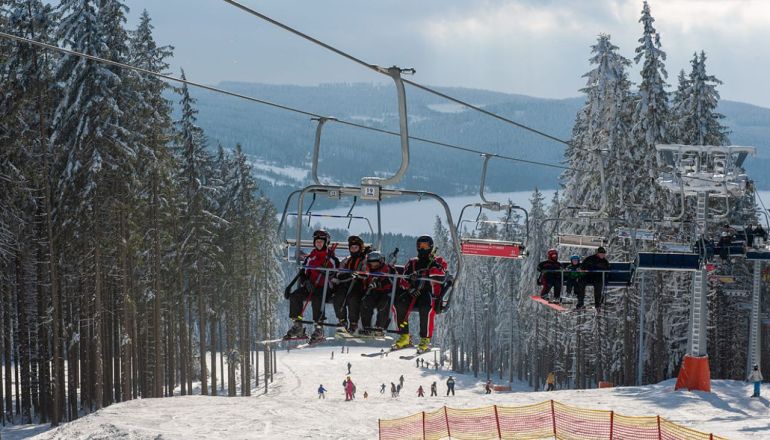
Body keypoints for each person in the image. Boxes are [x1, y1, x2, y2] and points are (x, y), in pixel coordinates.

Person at [393, 236, 448, 352]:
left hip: (428, 292)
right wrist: (409, 287)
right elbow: (404, 278)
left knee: (426, 308)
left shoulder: (438, 261)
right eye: (420, 246)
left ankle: (425, 339)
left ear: (431, 247)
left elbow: (441, 274)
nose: (422, 248)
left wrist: (433, 265)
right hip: (413, 291)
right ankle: (404, 336)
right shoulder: (413, 262)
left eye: (425, 246)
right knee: (398, 304)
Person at [285, 230, 340, 342]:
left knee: (317, 298)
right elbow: (304, 273)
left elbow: (337, 274)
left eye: (321, 242)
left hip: (325, 288)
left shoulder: (332, 259)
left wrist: (329, 273)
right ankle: (298, 325)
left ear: (325, 243)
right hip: (311, 286)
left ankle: (319, 328)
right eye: (317, 242)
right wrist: (306, 282)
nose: (319, 244)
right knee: (295, 296)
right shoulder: (310, 257)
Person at [331, 235, 370, 335]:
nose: (353, 250)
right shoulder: (347, 260)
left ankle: (353, 323)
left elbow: (367, 273)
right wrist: (345, 275)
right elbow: (339, 272)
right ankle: (342, 320)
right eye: (351, 248)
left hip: (358, 286)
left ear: (360, 248)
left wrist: (359, 275)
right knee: (338, 298)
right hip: (346, 284)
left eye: (356, 248)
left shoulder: (364, 260)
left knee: (353, 299)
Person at [360, 251, 398, 336]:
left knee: (384, 305)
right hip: (372, 292)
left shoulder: (388, 269)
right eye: (371, 264)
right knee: (365, 302)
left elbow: (394, 280)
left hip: (385, 292)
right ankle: (366, 327)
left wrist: (380, 283)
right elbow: (364, 278)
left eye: (376, 264)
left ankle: (379, 327)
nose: (373, 266)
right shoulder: (367, 269)